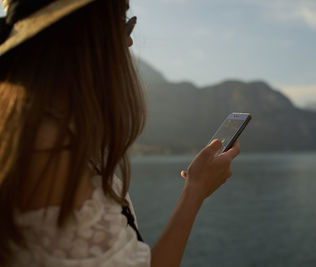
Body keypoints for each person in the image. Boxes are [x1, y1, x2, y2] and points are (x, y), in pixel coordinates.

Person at [0, 0, 240, 266]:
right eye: (124, 21)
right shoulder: (52, 157)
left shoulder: (37, 133)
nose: (129, 42)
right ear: (84, 32)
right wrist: (195, 190)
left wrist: (196, 188)